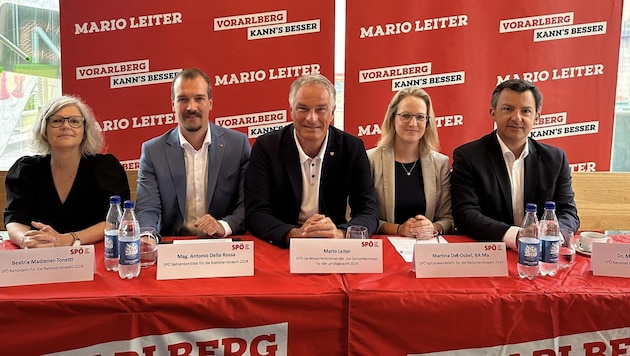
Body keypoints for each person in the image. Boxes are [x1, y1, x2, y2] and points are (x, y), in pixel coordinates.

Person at [244, 74, 378, 248]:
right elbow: (255, 213)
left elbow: (368, 211)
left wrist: (341, 233)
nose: (311, 118)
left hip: (333, 245)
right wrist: (294, 234)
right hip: (282, 245)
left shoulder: (352, 148)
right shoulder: (266, 147)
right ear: (291, 110)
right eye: (303, 109)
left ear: (332, 112)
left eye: (321, 109)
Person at [450, 79, 579, 249]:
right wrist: (516, 236)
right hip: (489, 254)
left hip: (541, 254)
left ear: (537, 117)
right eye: (508, 109)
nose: (517, 117)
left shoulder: (555, 159)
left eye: (525, 111)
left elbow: (568, 213)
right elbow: (465, 214)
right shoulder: (468, 156)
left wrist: (551, 233)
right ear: (493, 113)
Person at [135, 68, 250, 238]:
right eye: (182, 99)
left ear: (210, 102)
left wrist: (223, 225)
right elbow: (147, 208)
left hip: (224, 245)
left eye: (199, 99)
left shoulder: (238, 145)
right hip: (173, 246)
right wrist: (147, 236)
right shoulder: (153, 151)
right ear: (172, 104)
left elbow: (247, 204)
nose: (191, 107)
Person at [4, 96, 130, 248]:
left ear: (84, 131)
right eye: (56, 121)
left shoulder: (106, 168)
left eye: (75, 121)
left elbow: (115, 221)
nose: (66, 126)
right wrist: (26, 240)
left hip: (95, 253)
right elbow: (15, 220)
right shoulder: (26, 170)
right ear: (44, 130)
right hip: (39, 254)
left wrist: (69, 239)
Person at [368, 87, 453, 238]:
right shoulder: (370, 161)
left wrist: (431, 227)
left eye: (420, 117)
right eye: (406, 116)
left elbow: (448, 219)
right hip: (383, 249)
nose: (413, 123)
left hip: (426, 250)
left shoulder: (440, 164)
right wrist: (399, 229)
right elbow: (361, 216)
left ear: (427, 123)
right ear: (393, 119)